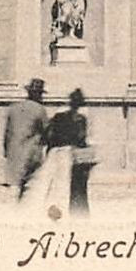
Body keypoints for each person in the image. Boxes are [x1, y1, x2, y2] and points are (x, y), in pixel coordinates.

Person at [48, 89, 95, 217]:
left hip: (58, 154)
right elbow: (82, 138)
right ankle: (77, 214)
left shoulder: (59, 117)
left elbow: (51, 136)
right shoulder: (81, 119)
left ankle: (56, 213)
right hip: (72, 155)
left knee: (58, 187)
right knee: (76, 188)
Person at [2, 78, 50, 199]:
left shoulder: (14, 108)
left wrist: (6, 150)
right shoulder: (40, 109)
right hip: (31, 155)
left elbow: (7, 133)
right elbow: (47, 132)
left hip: (13, 154)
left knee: (15, 188)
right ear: (39, 95)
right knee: (31, 191)